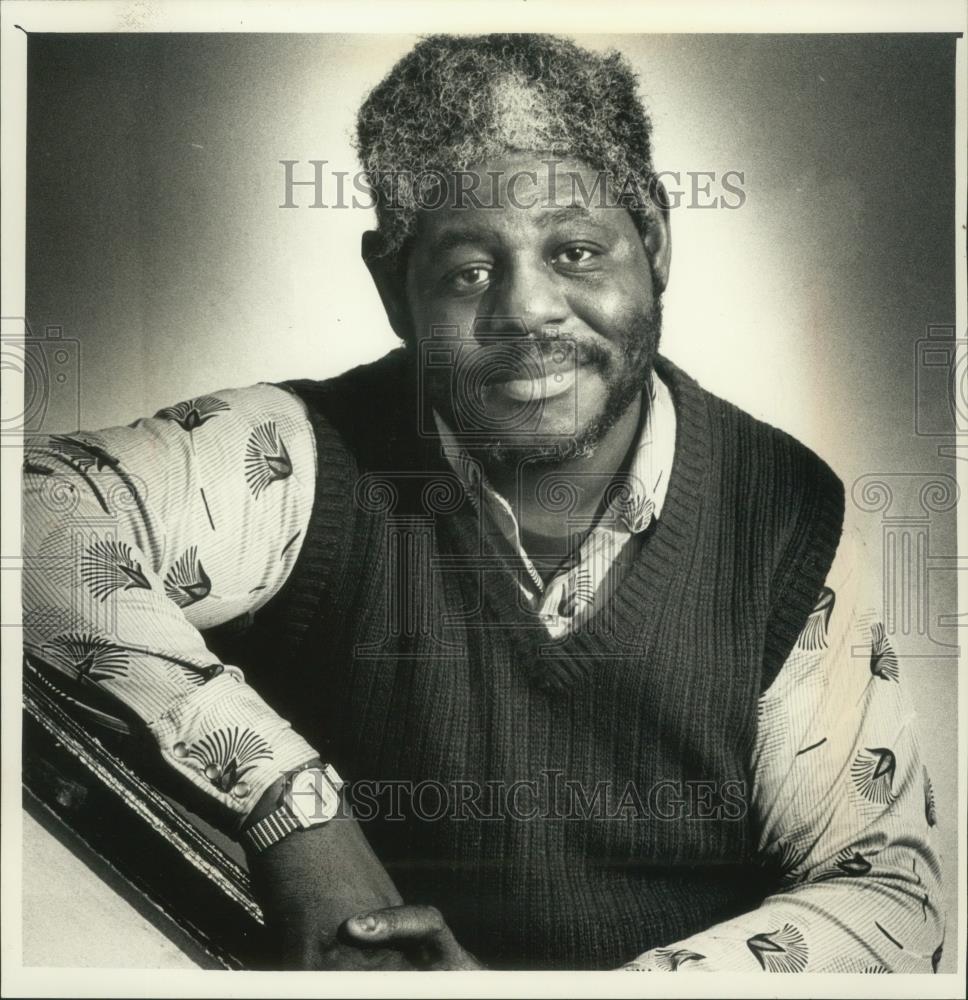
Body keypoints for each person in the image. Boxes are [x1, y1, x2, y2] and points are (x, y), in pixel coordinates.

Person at [23, 33, 944, 972]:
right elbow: (29, 520)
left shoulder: (782, 514)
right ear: (392, 287)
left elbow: (886, 895)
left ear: (656, 242)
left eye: (578, 251)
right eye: (469, 272)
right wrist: (288, 805)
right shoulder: (303, 459)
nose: (528, 312)